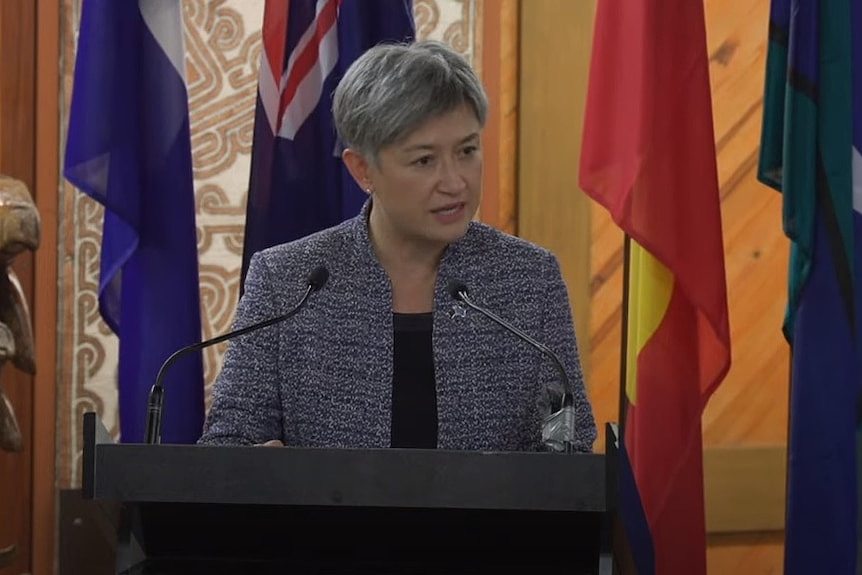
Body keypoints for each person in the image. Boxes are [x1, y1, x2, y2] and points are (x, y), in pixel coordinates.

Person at [199, 40, 596, 452]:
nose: (455, 182)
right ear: (363, 169)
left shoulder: (529, 278)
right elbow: (229, 442)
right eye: (424, 160)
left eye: (467, 151)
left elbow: (567, 444)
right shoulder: (287, 280)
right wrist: (252, 467)